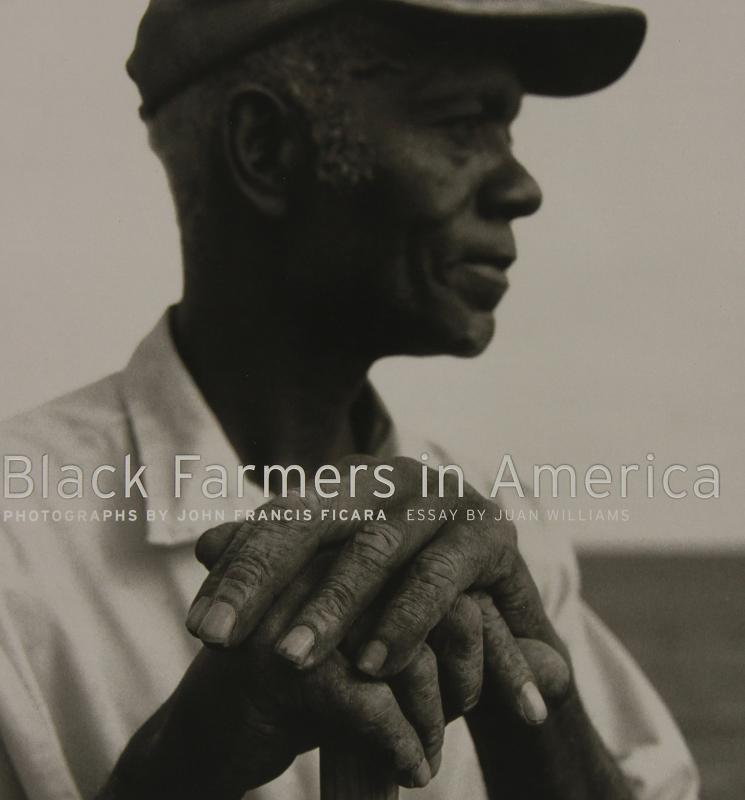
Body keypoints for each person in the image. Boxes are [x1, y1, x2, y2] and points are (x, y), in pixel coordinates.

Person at [0, 0, 699, 798]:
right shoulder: (16, 552)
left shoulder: (502, 536)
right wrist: (187, 763)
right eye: (461, 121)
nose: (519, 184)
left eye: (506, 128)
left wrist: (526, 700)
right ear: (264, 150)